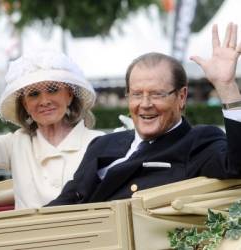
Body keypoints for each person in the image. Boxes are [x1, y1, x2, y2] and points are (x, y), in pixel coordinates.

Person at [47, 22, 241, 206]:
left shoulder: (197, 143)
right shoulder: (103, 144)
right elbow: (68, 199)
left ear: (181, 97)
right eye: (137, 94)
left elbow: (236, 165)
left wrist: (227, 87)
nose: (145, 104)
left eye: (157, 94)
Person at [0, 29, 104, 209]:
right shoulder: (16, 144)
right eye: (33, 94)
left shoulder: (97, 142)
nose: (44, 101)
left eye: (52, 89)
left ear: (70, 95)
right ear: (25, 105)